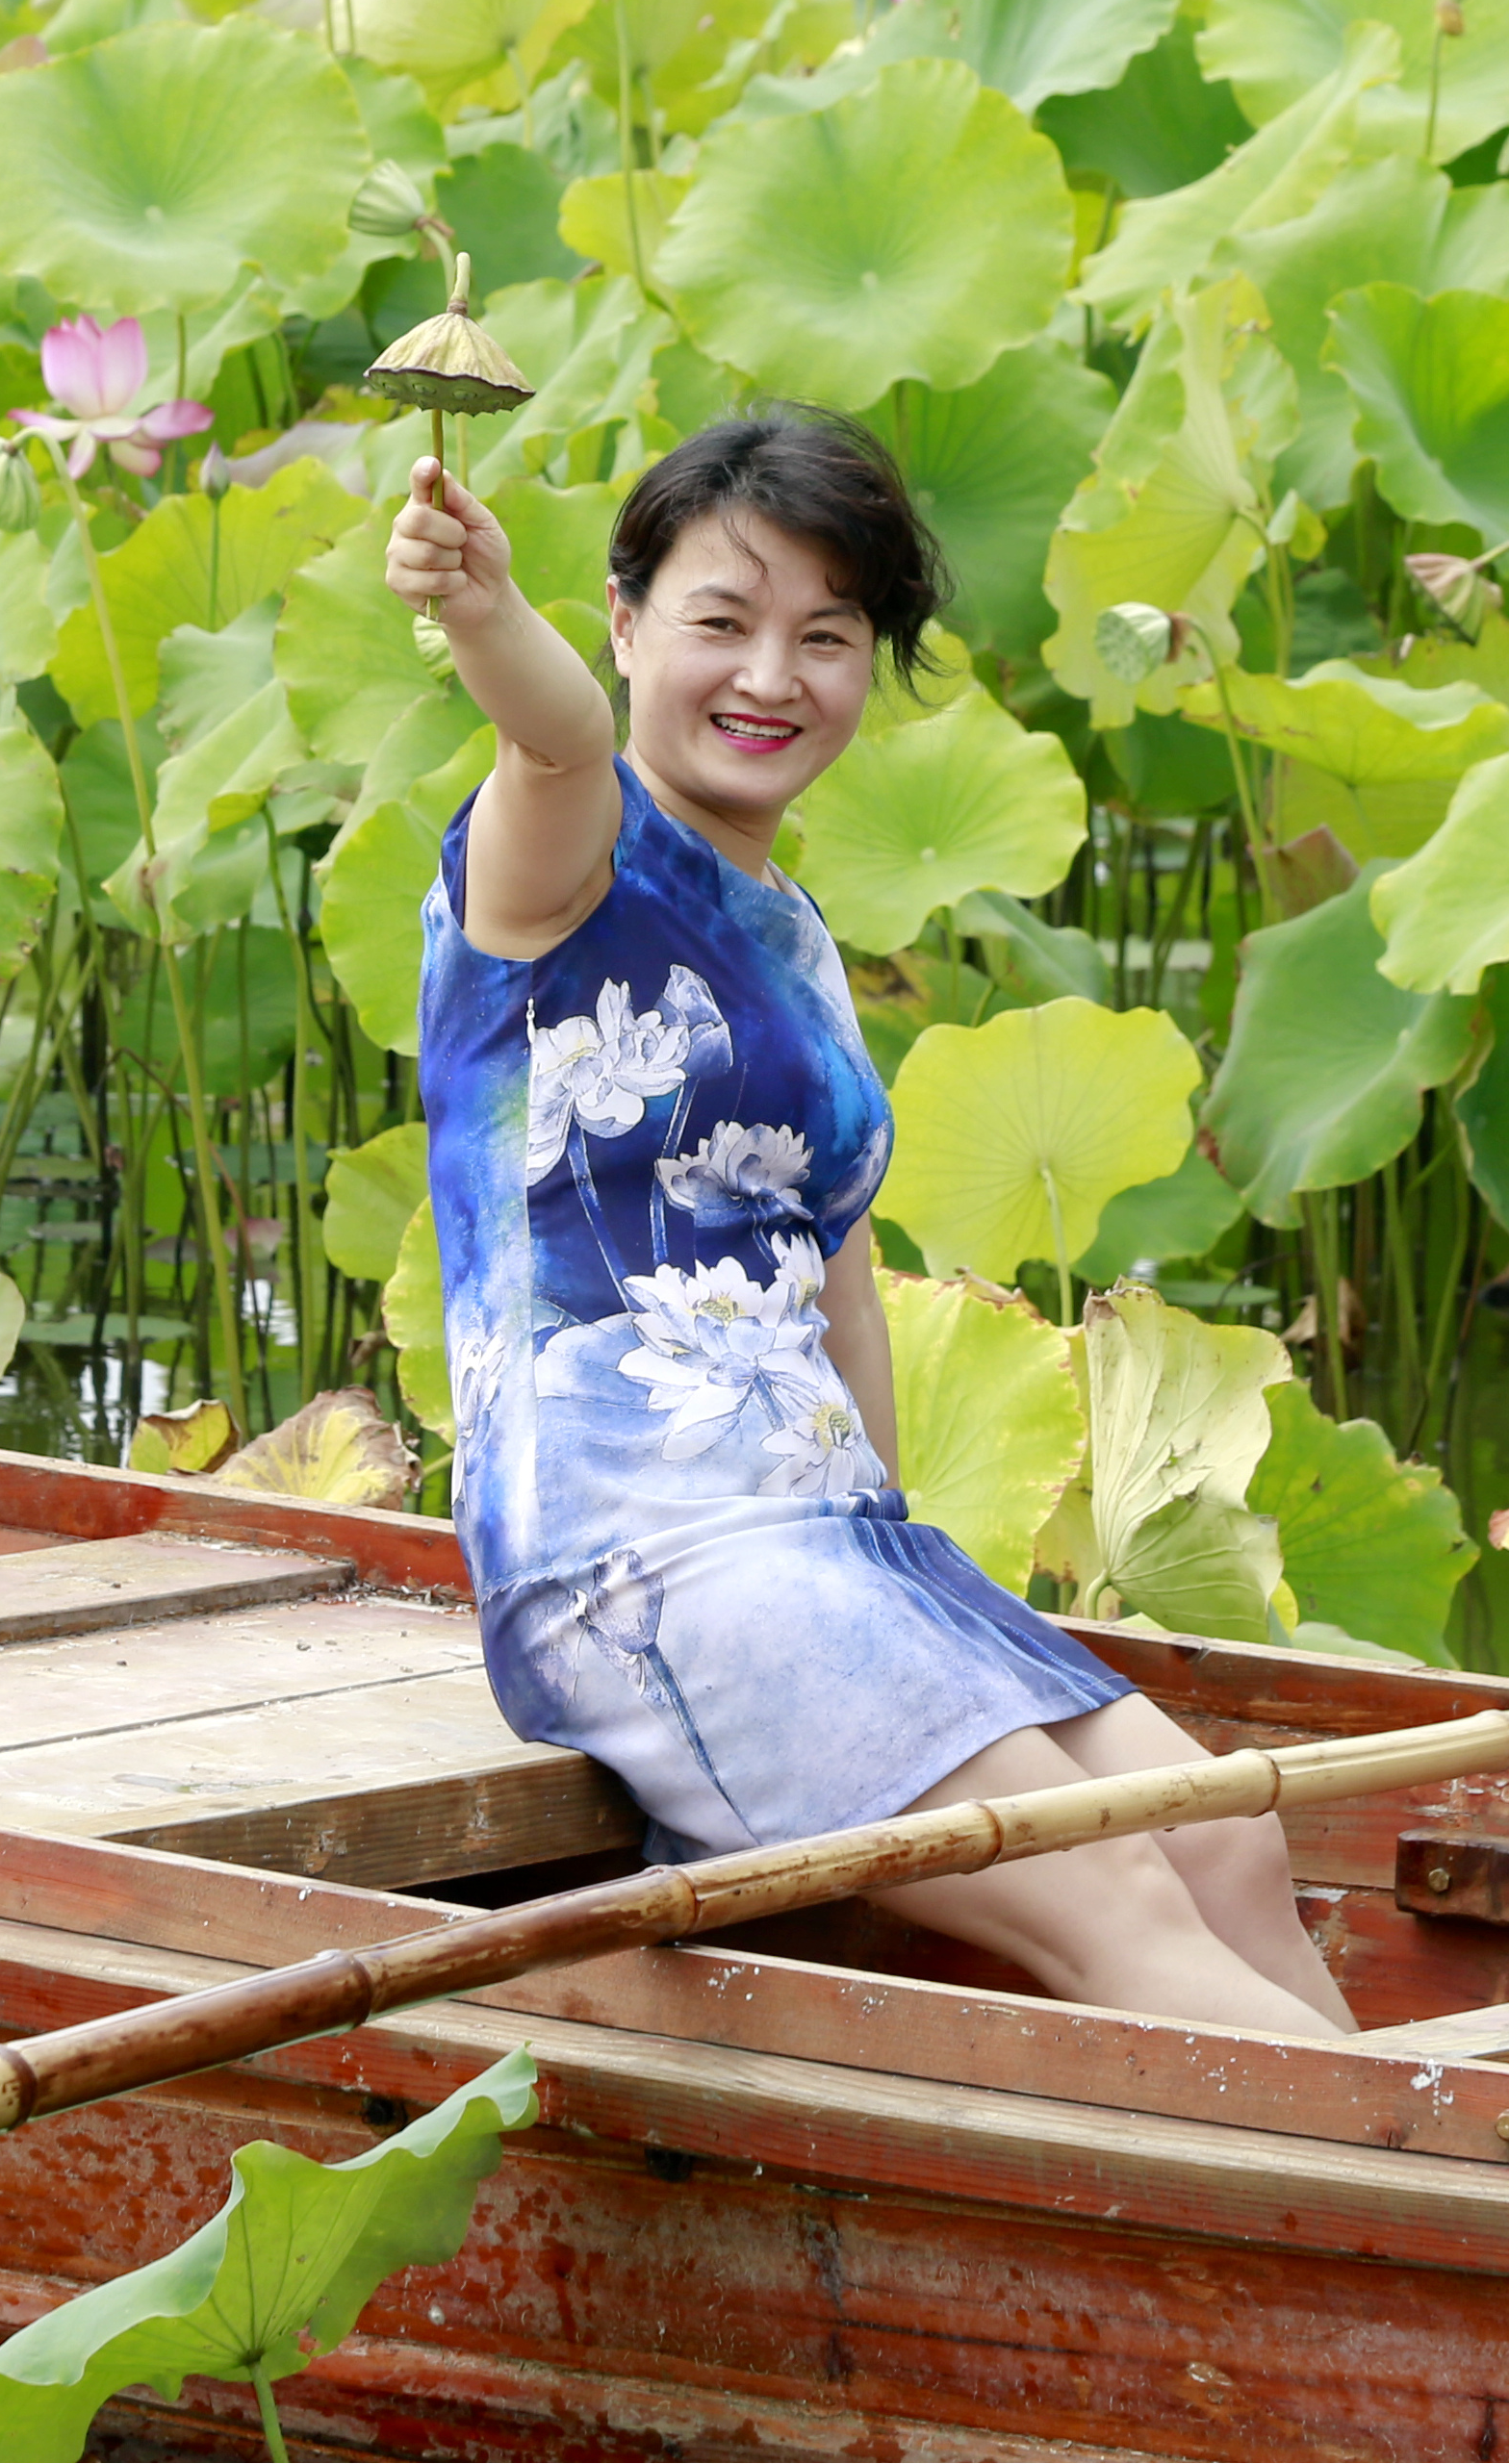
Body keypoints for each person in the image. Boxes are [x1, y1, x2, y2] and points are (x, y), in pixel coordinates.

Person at [384, 404, 1355, 2038]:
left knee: (1221, 1826)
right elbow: (550, 740)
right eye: (719, 622)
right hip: (638, 1559)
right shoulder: (551, 866)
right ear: (622, 624)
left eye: (824, 638)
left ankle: (1410, 2188)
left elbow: (832, 1262)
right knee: (1110, 1897)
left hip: (829, 1542)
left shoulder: (799, 937)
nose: (770, 676)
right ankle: (1412, 2229)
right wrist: (482, 608)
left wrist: (899, 1548)